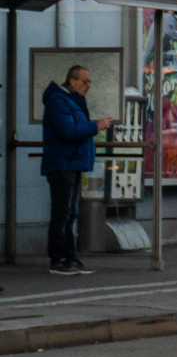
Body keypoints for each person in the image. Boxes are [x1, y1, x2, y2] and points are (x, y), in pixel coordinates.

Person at [41, 66, 113, 275]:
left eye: (89, 82)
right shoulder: (58, 101)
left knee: (70, 214)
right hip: (62, 164)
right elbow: (68, 130)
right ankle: (57, 260)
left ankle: (70, 257)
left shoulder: (72, 101)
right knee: (62, 214)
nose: (88, 86)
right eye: (85, 81)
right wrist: (95, 126)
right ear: (72, 81)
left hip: (72, 164)